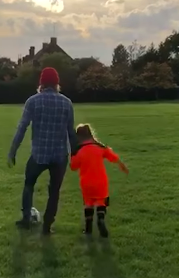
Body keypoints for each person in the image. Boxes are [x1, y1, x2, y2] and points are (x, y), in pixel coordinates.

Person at [8, 67, 77, 235]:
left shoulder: (33, 101)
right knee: (54, 191)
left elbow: (22, 128)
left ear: (41, 83)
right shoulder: (66, 103)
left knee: (29, 184)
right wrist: (76, 154)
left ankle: (26, 219)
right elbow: (71, 132)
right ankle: (47, 226)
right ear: (57, 84)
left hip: (39, 155)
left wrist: (12, 151)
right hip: (60, 156)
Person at [70, 123, 128, 237]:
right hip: (101, 181)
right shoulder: (100, 147)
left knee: (88, 203)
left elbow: (73, 167)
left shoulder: (79, 150)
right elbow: (113, 157)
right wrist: (121, 165)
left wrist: (72, 155)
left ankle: (88, 228)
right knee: (101, 201)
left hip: (86, 182)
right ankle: (101, 219)